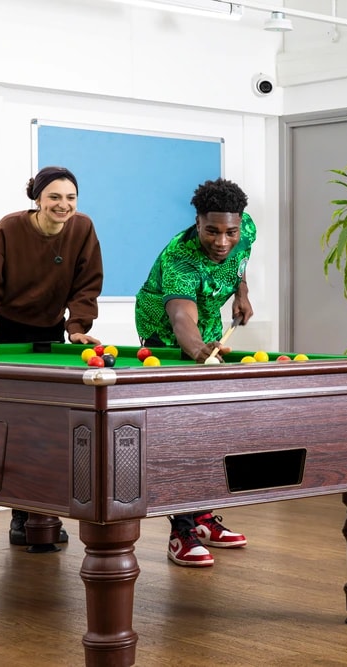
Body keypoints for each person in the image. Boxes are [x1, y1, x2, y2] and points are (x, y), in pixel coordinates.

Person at [0, 165, 104, 549]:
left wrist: (78, 327)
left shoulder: (83, 229)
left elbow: (86, 285)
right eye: (54, 197)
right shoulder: (9, 228)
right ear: (37, 199)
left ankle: (42, 513)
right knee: (13, 429)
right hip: (4, 336)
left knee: (48, 429)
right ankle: (22, 518)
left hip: (50, 337)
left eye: (70, 198)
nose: (63, 205)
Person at [134, 177, 254, 567]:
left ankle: (202, 518)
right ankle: (181, 531)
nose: (223, 241)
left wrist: (242, 293)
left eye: (229, 231)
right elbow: (182, 316)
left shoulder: (245, 229)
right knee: (185, 425)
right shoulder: (179, 259)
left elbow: (240, 260)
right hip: (167, 330)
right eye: (212, 231)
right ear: (197, 222)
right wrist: (197, 351)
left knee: (216, 423)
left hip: (211, 323)